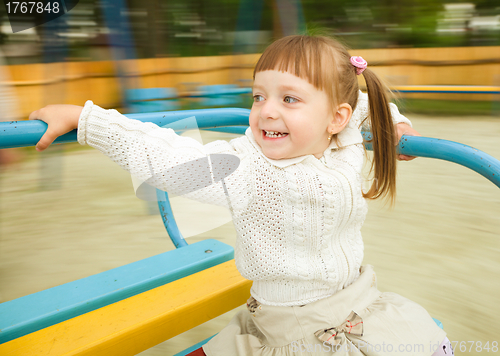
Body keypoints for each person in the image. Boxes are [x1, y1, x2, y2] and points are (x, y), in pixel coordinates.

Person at [29, 35, 453, 356]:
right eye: (258, 96)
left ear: (333, 119)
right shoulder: (250, 168)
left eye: (289, 99)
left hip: (357, 300)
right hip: (286, 325)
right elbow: (169, 157)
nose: (267, 110)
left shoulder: (343, 140)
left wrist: (396, 126)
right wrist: (89, 121)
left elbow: (363, 102)